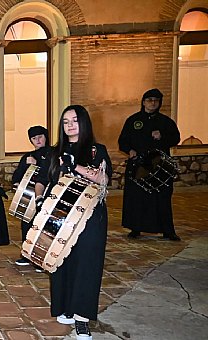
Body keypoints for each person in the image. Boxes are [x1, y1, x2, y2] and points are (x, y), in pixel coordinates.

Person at [35, 105, 112, 339]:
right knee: (60, 261)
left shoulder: (96, 150)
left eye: (75, 120)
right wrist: (39, 199)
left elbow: (103, 178)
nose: (69, 124)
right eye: (66, 121)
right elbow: (41, 179)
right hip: (59, 213)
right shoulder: (53, 151)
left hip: (90, 215)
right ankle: (65, 307)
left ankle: (81, 318)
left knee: (87, 263)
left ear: (84, 122)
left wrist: (73, 165)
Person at [118, 89, 181, 241]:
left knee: (162, 198)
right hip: (139, 165)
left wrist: (162, 136)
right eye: (149, 99)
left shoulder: (166, 122)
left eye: (156, 100)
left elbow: (176, 138)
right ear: (143, 102)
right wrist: (130, 150)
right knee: (137, 198)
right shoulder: (133, 120)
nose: (153, 103)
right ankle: (136, 228)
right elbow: (122, 141)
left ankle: (167, 230)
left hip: (160, 166)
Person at [11, 126, 50, 270]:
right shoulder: (28, 156)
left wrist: (37, 164)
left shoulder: (53, 153)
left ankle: (40, 259)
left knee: (43, 228)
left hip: (47, 197)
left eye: (40, 136)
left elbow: (50, 172)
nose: (37, 140)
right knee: (27, 226)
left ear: (46, 136)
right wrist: (25, 166)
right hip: (29, 198)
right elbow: (16, 177)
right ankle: (27, 255)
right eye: (34, 138)